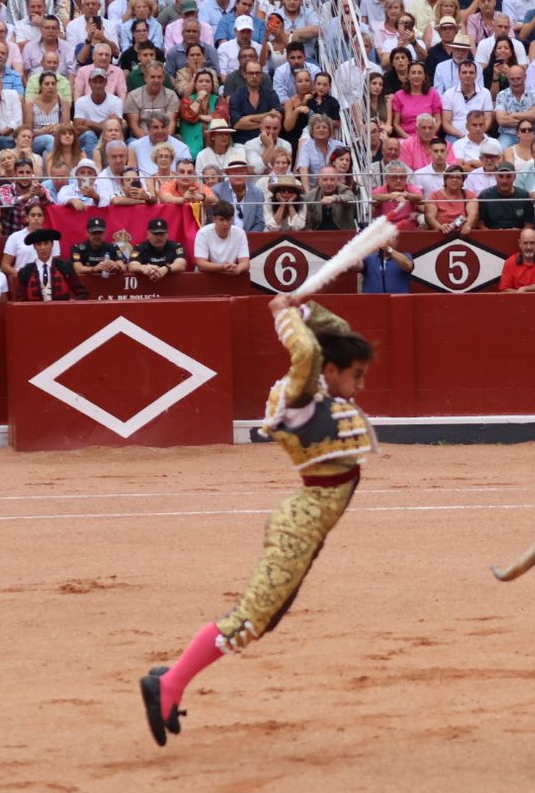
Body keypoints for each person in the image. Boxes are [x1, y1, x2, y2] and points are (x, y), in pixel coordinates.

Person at [138, 295, 379, 746]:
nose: (361, 386)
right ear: (330, 373)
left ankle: (172, 676)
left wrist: (304, 307)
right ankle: (167, 684)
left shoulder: (320, 389)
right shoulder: (301, 396)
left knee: (264, 621)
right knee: (249, 620)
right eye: (357, 375)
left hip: (308, 523)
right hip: (300, 525)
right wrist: (283, 314)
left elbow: (333, 333)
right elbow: (306, 352)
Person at [13, 229, 88, 301]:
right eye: (39, 244)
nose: (43, 248)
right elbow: (20, 300)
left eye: (46, 243)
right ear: (34, 246)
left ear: (52, 245)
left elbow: (82, 293)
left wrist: (71, 305)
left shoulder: (65, 267)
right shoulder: (26, 272)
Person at [193, 200, 250, 275]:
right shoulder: (203, 233)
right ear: (214, 219)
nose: (225, 223)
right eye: (221, 219)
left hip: (231, 276)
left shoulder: (240, 233)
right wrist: (223, 267)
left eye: (228, 219)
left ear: (232, 219)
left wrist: (238, 269)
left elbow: (245, 263)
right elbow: (201, 264)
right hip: (207, 277)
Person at [129, 216, 189, 281]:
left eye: (162, 234)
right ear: (148, 234)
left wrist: (165, 269)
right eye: (155, 234)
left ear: (167, 234)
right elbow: (132, 265)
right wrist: (143, 268)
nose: (159, 237)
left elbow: (181, 264)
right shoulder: (139, 248)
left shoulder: (176, 247)